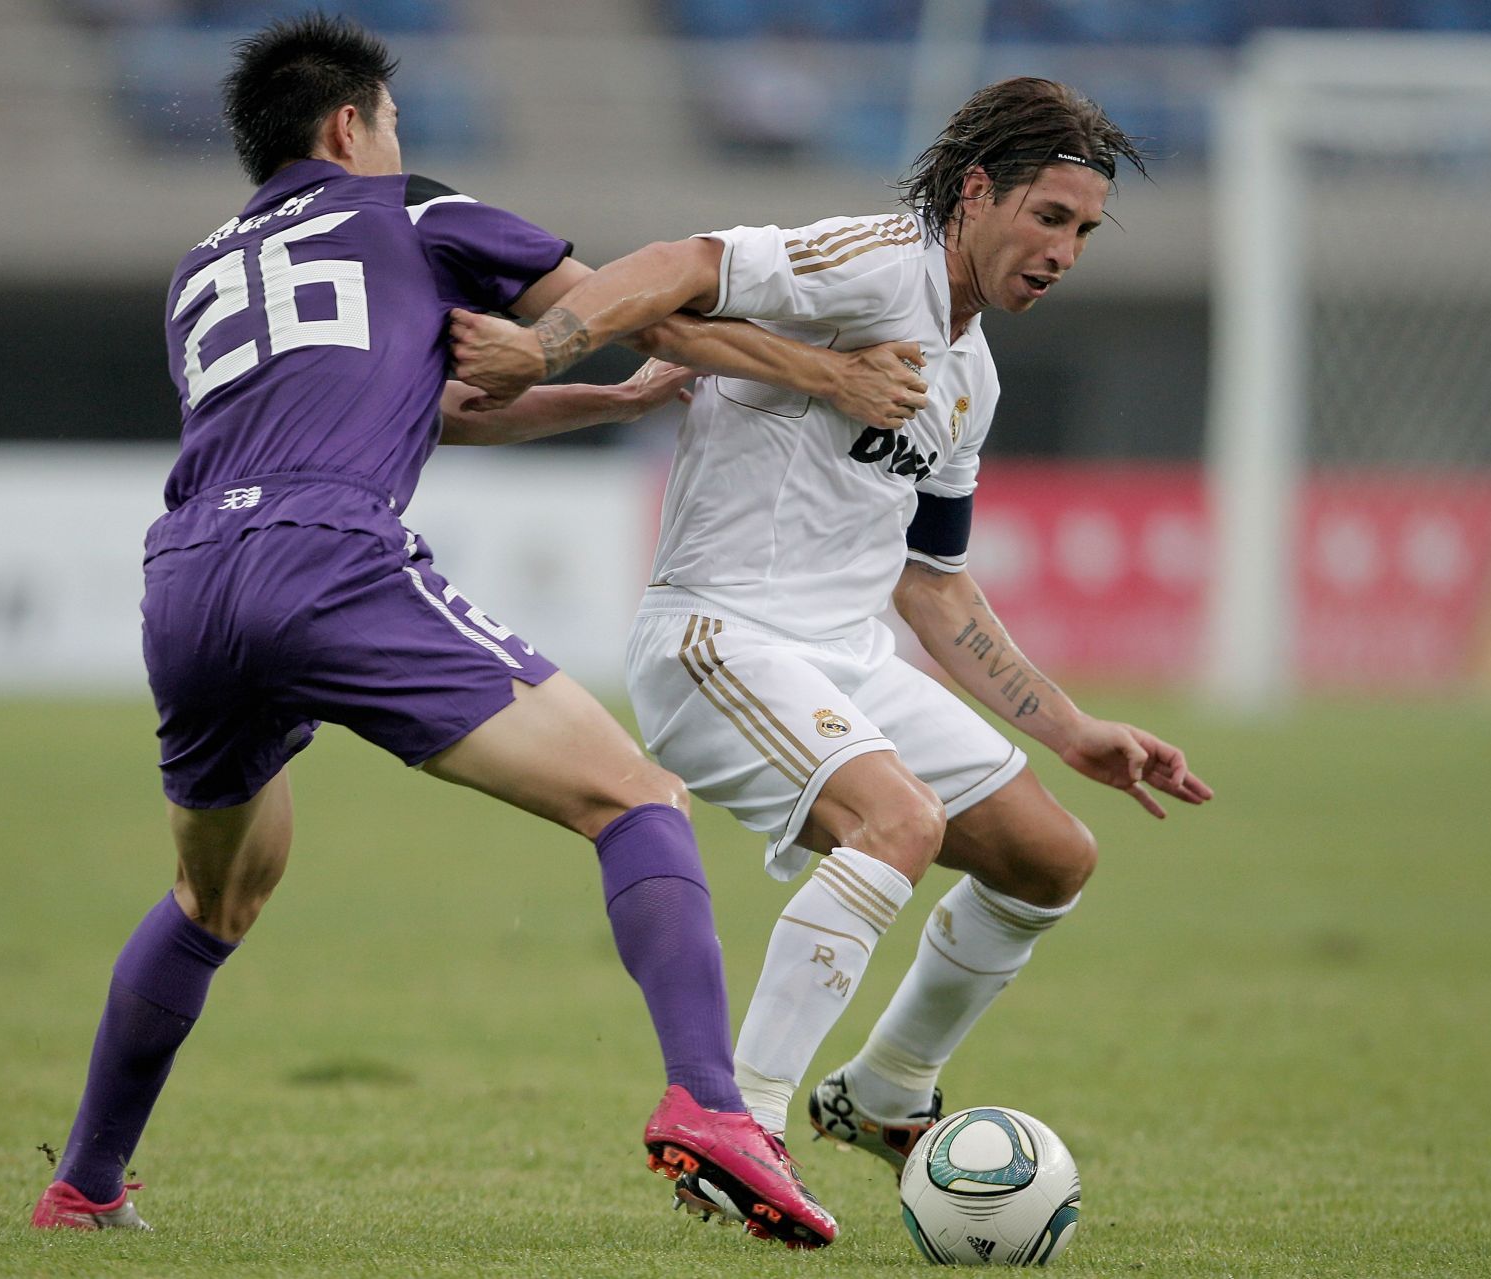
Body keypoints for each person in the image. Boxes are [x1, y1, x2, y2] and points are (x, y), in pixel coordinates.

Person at [29, 13, 932, 1249]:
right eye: (393, 123)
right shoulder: (413, 214)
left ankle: (83, 1185)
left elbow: (429, 404)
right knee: (636, 798)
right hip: (328, 558)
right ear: (349, 124)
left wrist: (605, 406)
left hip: (185, 578)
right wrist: (827, 374)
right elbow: (643, 308)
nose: (402, 143)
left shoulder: (203, 272)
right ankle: (714, 1107)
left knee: (213, 892)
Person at [450, 76, 1215, 1223]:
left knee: (1052, 859)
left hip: (847, 654)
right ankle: (741, 1125)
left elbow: (933, 581)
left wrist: (1072, 729)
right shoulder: (875, 261)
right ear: (974, 194)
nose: (1064, 251)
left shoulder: (973, 376)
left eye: (1084, 233)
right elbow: (682, 263)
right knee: (896, 821)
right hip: (718, 636)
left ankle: (886, 1089)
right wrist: (547, 343)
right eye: (1048, 217)